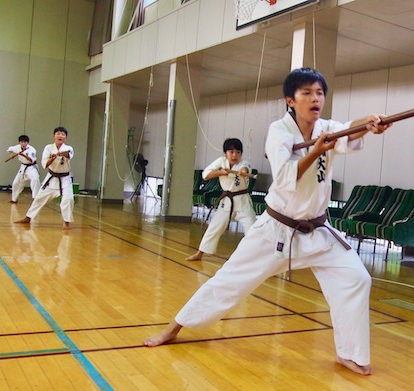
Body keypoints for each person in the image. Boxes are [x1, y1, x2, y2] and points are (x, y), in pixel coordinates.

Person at [144, 68, 392, 376]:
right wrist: (315, 151)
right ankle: (174, 328)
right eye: (306, 93)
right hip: (277, 229)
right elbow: (287, 176)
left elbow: (348, 131)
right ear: (290, 99)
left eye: (319, 93)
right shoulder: (280, 131)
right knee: (229, 280)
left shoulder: (326, 127)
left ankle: (349, 353)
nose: (315, 99)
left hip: (318, 231)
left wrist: (367, 124)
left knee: (356, 279)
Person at [185, 138, 256, 261]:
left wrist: (243, 171)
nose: (234, 155)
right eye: (231, 152)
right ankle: (200, 253)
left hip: (243, 202)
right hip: (227, 203)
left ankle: (258, 259)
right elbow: (205, 175)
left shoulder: (244, 164)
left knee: (253, 230)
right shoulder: (221, 161)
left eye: (238, 152)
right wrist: (221, 172)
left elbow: (246, 168)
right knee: (214, 228)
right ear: (225, 153)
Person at [14, 127, 75, 230]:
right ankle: (28, 217)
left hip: (65, 179)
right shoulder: (48, 148)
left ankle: (66, 222)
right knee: (39, 198)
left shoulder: (69, 148)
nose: (60, 136)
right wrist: (52, 158)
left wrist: (60, 154)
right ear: (54, 136)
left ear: (66, 138)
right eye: (58, 134)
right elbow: (45, 165)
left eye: (63, 134)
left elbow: (68, 155)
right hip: (51, 178)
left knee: (68, 199)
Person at [6, 135, 40, 203]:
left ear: (27, 143)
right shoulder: (17, 147)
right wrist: (11, 155)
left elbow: (31, 160)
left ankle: (35, 198)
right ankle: (14, 199)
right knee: (16, 183)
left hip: (31, 167)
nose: (23, 144)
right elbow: (10, 149)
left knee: (35, 180)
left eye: (25, 142)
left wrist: (24, 155)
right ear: (19, 142)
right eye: (22, 142)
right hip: (23, 167)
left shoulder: (32, 150)